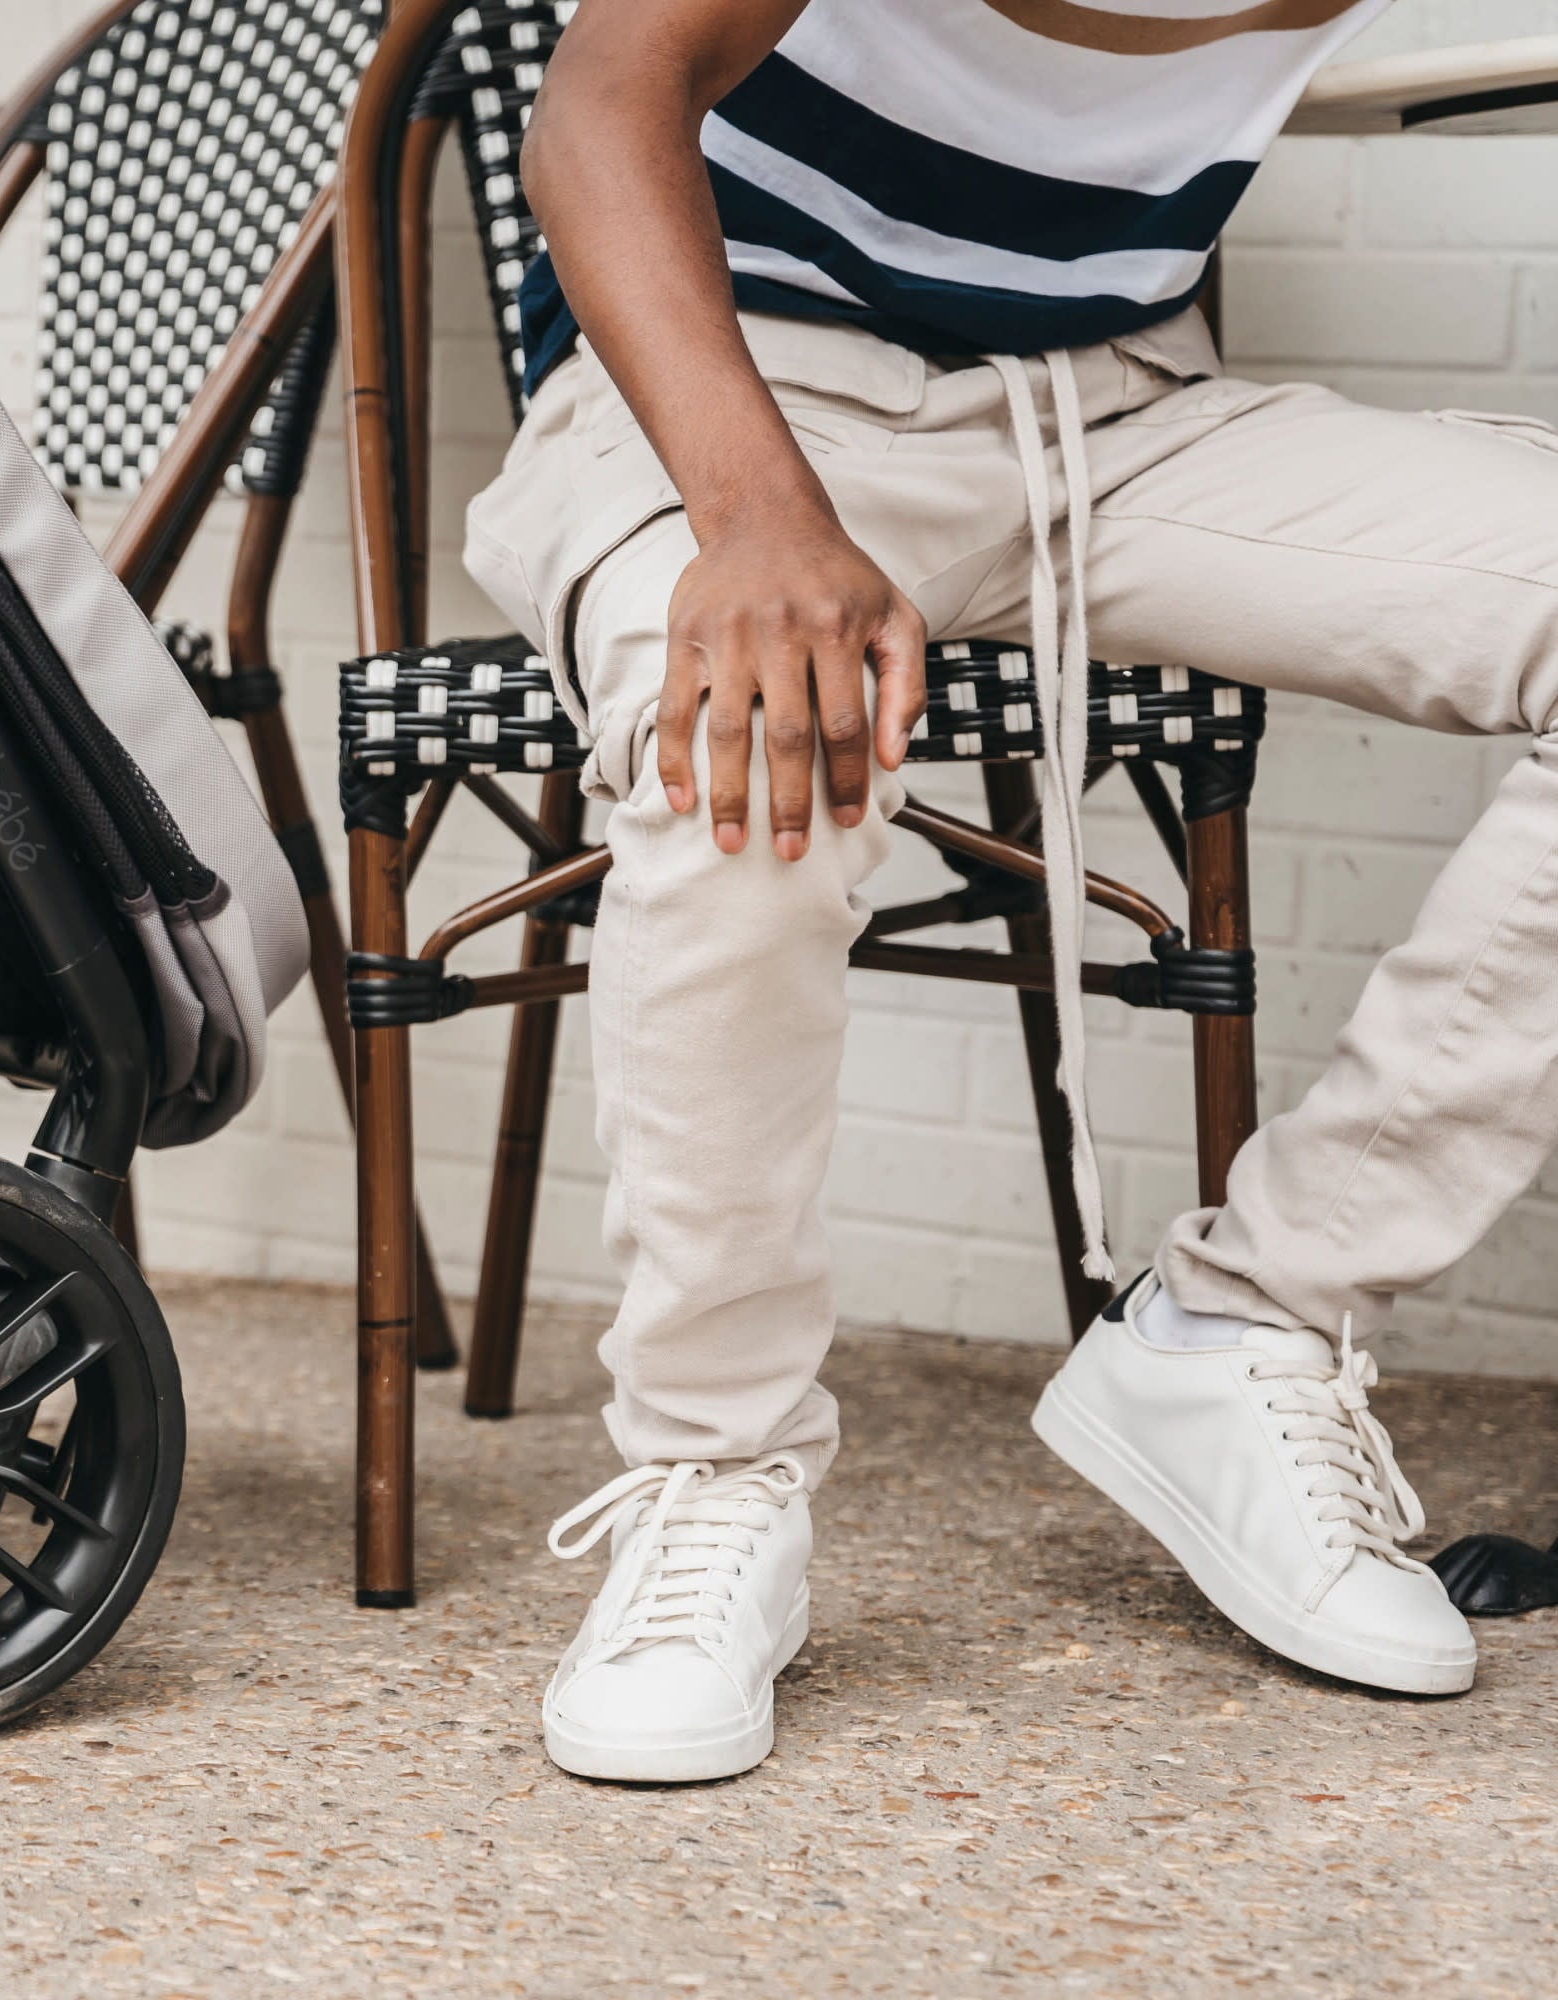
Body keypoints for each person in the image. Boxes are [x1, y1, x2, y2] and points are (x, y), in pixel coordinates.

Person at [466, 0, 1532, 1785]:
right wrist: (756, 520)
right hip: (745, 388)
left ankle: (1248, 1324)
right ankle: (713, 1472)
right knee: (749, 727)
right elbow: (602, 98)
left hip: (1122, 413)